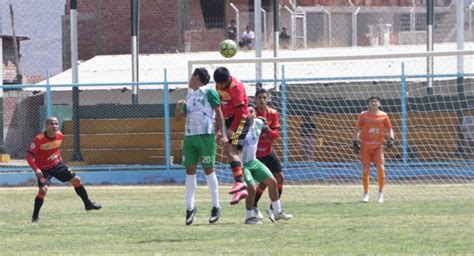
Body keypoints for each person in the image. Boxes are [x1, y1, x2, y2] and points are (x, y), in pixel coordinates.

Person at [176, 68, 228, 225]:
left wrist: (222, 132)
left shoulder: (209, 92)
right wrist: (178, 107)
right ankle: (190, 208)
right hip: (190, 138)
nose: (190, 79)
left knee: (208, 169)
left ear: (196, 77)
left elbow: (218, 113)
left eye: (191, 76)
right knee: (189, 171)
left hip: (206, 137)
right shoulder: (189, 96)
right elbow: (178, 118)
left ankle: (216, 206)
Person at [27, 117, 101, 223]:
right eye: (52, 124)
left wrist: (59, 159)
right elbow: (29, 157)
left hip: (57, 165)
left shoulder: (60, 136)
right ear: (46, 125)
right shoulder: (39, 139)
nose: (55, 126)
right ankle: (35, 217)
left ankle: (88, 204)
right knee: (43, 190)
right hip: (43, 169)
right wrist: (36, 169)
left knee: (77, 180)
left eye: (56, 124)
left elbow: (56, 149)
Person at [241, 107, 293, 224]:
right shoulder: (240, 128)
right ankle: (249, 217)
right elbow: (232, 146)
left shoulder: (259, 122)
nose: (249, 115)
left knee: (273, 181)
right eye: (247, 113)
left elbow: (273, 132)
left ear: (255, 114)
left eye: (251, 112)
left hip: (254, 161)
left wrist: (267, 128)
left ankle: (277, 212)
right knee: (252, 188)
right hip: (242, 164)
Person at [213, 67, 252, 205]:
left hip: (241, 120)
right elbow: (220, 108)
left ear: (229, 79)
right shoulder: (217, 85)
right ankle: (241, 189)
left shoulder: (237, 88)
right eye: (218, 84)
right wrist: (219, 126)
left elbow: (241, 112)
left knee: (230, 150)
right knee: (234, 154)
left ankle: (240, 184)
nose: (220, 87)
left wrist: (230, 130)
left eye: (223, 84)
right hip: (229, 119)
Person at [353, 96, 394, 204]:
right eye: (371, 101)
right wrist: (355, 141)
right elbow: (358, 128)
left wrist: (391, 139)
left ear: (379, 104)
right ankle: (366, 194)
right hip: (365, 146)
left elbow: (389, 128)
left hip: (378, 147)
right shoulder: (363, 115)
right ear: (369, 104)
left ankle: (380, 194)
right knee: (366, 169)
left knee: (381, 168)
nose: (374, 102)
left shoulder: (384, 115)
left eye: (376, 101)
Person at [252, 88, 285, 219]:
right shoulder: (250, 113)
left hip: (268, 151)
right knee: (264, 181)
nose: (262, 100)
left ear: (268, 99)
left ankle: (273, 208)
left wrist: (267, 131)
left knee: (280, 178)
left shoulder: (273, 113)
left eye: (264, 98)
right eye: (259, 97)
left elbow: (275, 135)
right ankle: (253, 208)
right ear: (255, 99)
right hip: (254, 153)